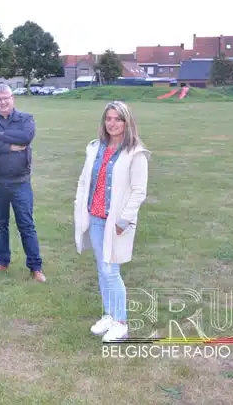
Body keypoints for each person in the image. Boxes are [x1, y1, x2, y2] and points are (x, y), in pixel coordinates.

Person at [74, 100, 150, 342]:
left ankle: (121, 323)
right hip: (95, 217)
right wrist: (81, 210)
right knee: (102, 269)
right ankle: (109, 314)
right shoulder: (96, 148)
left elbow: (139, 191)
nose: (112, 123)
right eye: (108, 118)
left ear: (127, 122)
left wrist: (124, 220)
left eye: (118, 119)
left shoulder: (135, 153)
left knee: (110, 270)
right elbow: (84, 181)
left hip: (115, 222)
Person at [0, 83, 46, 283]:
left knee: (26, 224)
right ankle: (2, 262)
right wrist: (10, 147)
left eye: (6, 98)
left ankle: (35, 267)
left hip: (20, 182)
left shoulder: (25, 119)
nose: (3, 102)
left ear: (12, 98)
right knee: (0, 224)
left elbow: (26, 137)